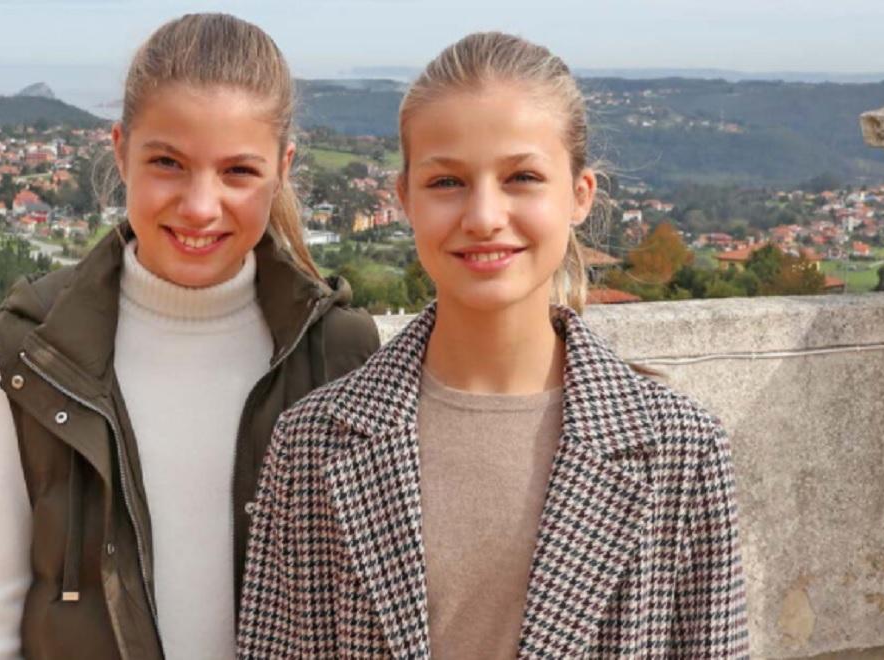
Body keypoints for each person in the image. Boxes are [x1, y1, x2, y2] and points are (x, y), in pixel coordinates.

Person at [238, 32, 749, 658]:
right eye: (447, 181)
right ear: (404, 199)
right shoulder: (312, 443)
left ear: (580, 195)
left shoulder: (682, 448)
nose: (483, 215)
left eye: (522, 177)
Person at [0, 13, 380, 659]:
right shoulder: (37, 348)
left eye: (238, 171)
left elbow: (370, 609)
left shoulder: (339, 352)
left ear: (282, 168)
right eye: (169, 163)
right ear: (121, 150)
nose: (201, 206)